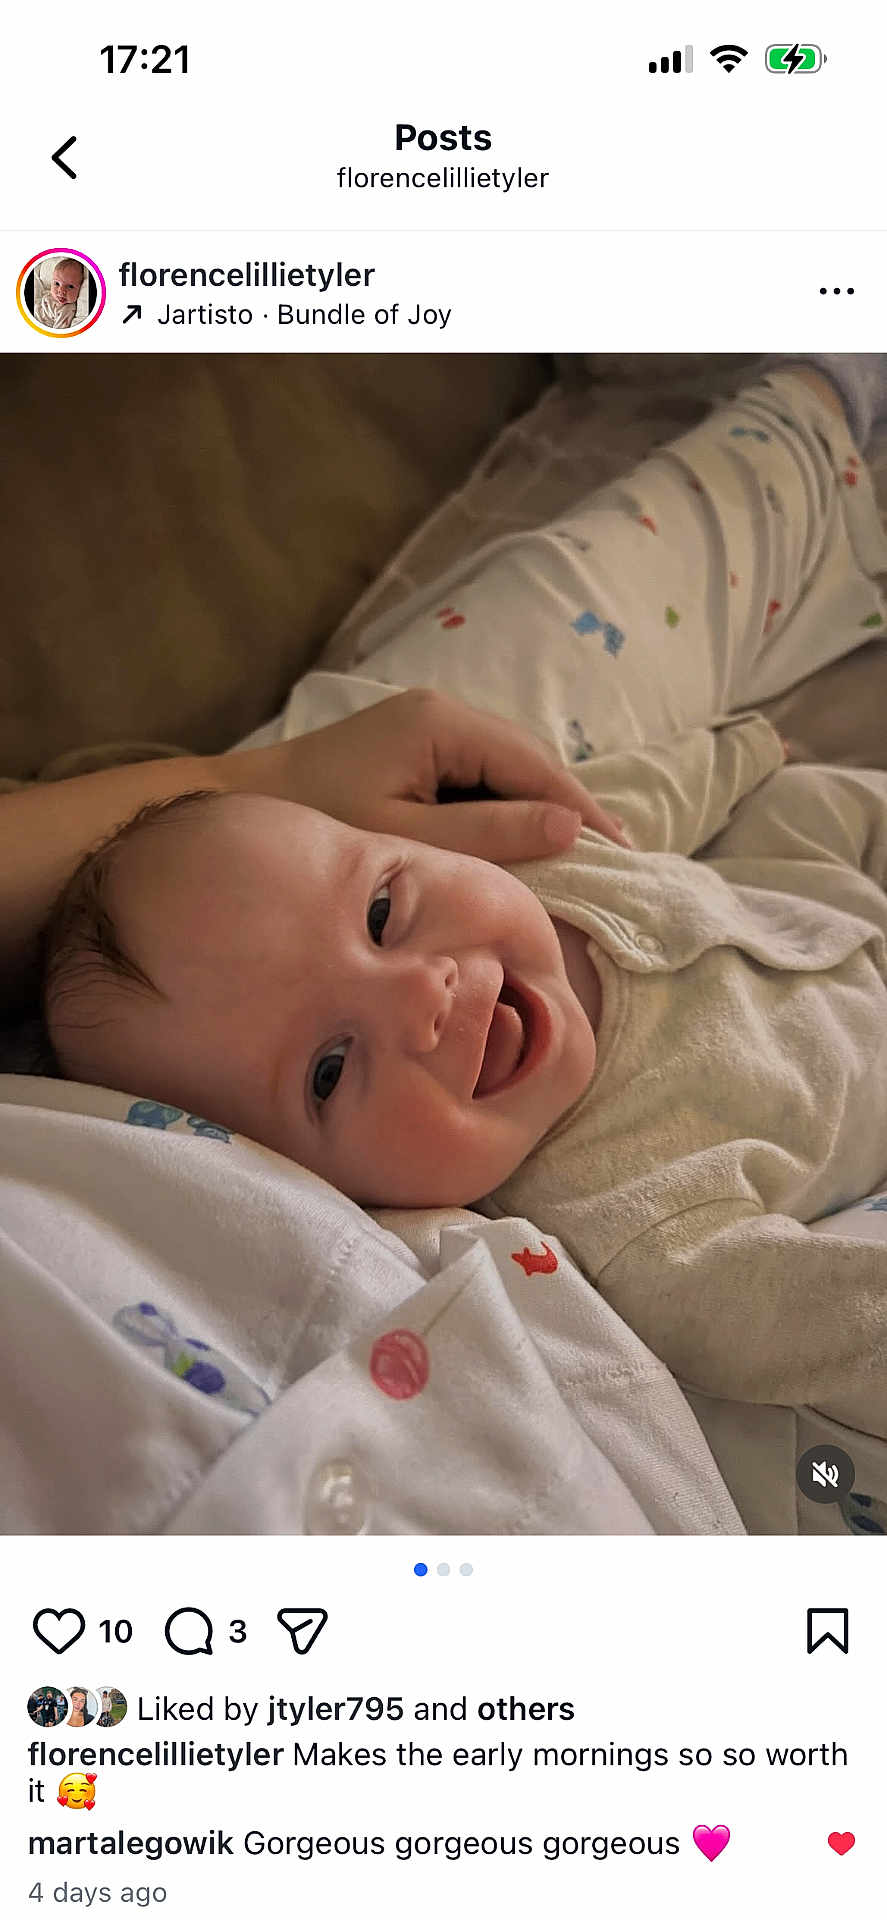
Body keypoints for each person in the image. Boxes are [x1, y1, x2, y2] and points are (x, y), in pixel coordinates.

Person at [33, 360, 887, 1448]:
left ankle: (813, 417)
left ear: (399, 843)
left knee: (815, 801)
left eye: (385, 912)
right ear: (330, 1192)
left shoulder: (532, 864)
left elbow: (632, 802)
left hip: (803, 885)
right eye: (330, 1070)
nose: (423, 997)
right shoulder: (627, 1224)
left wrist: (740, 756)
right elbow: (810, 1321)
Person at [34, 257, 84, 331]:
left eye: (70, 286)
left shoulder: (67, 310)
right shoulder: (48, 293)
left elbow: (58, 330)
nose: (61, 290)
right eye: (57, 283)